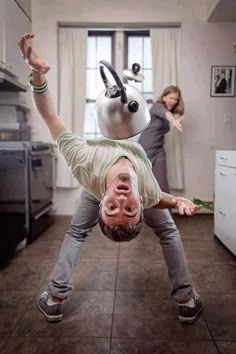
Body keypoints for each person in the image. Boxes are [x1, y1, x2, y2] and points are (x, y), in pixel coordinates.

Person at [18, 33, 203, 324]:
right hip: (131, 179)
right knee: (169, 231)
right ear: (142, 203)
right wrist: (177, 199)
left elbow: (50, 116)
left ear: (102, 201)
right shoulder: (150, 192)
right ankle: (187, 299)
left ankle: (54, 298)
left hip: (96, 177)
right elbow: (162, 199)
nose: (120, 200)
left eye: (112, 208)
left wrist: (37, 75)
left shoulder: (83, 160)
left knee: (76, 232)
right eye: (128, 209)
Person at [138, 86, 184, 193]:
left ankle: (166, 210)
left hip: (158, 150)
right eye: (171, 98)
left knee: (162, 185)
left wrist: (173, 120)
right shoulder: (157, 107)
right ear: (164, 97)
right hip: (144, 149)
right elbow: (165, 113)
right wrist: (173, 120)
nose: (173, 101)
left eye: (175, 99)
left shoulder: (166, 113)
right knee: (142, 186)